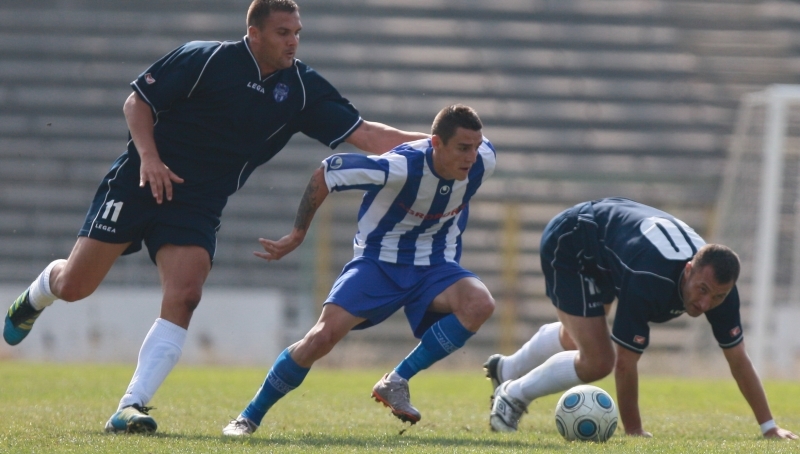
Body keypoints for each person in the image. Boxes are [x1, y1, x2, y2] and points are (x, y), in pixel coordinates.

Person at [3, 0, 428, 435]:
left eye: (297, 33)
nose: (293, 42)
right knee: (75, 286)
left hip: (198, 201)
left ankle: (130, 405)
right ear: (254, 33)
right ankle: (39, 293)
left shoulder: (301, 88)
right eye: (283, 33)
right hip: (140, 181)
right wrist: (149, 158)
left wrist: (441, 146)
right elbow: (137, 103)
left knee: (186, 294)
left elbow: (368, 135)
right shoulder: (205, 58)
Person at [220, 104, 496, 436]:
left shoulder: (484, 160)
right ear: (436, 144)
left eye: (475, 147)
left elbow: (472, 149)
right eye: (463, 148)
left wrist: (469, 149)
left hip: (435, 264)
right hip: (379, 263)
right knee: (321, 338)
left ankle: (396, 380)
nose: (471, 157)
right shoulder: (399, 168)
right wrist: (297, 234)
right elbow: (327, 173)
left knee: (480, 303)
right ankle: (248, 417)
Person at [483, 197, 798, 440]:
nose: (706, 304)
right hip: (573, 241)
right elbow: (625, 364)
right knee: (598, 360)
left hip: (610, 249)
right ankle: (512, 395)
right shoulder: (649, 277)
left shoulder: (721, 291)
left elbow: (738, 359)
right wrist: (634, 431)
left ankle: (505, 370)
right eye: (702, 290)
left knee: (578, 337)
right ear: (689, 270)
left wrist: (769, 427)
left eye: (717, 297)